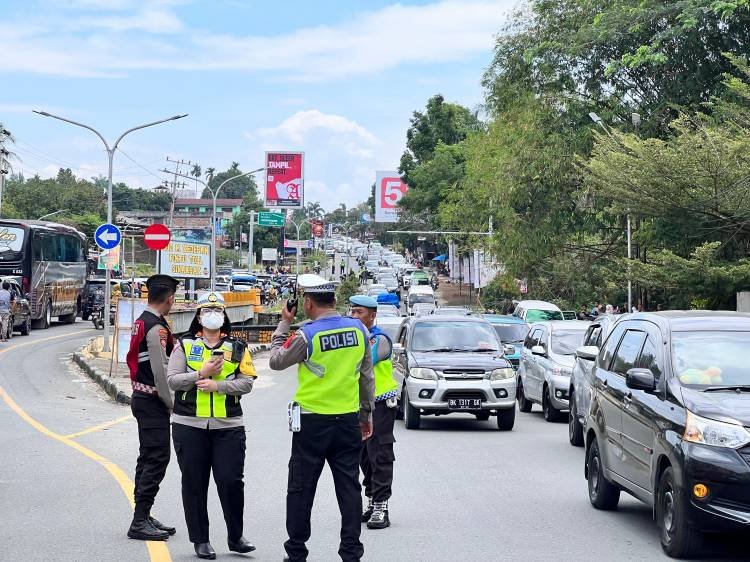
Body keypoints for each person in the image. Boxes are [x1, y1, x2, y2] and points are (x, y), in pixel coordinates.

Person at [269, 274, 375, 562]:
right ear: (335, 301)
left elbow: (276, 361)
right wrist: (366, 415)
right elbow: (367, 377)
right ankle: (351, 553)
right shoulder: (359, 331)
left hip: (312, 424)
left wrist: (284, 323)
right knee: (349, 489)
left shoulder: (308, 334)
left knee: (301, 489)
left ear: (307, 302)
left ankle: (296, 554)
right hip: (348, 420)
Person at [167, 291, 257, 560]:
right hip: (189, 424)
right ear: (198, 317)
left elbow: (247, 383)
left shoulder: (237, 348)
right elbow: (172, 380)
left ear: (224, 317)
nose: (212, 315)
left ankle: (236, 537)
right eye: (206, 311)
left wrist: (219, 385)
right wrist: (200, 374)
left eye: (217, 310)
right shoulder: (183, 346)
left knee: (231, 481)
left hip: (228, 426)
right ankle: (201, 540)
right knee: (194, 483)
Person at [125, 274, 180, 541]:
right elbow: (161, 372)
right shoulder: (156, 328)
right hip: (152, 401)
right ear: (169, 298)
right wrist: (172, 405)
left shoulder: (140, 321)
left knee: (147, 456)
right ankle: (139, 520)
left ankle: (143, 514)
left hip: (141, 398)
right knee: (157, 457)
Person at [348, 295, 399, 530]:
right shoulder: (355, 338)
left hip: (379, 405)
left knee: (379, 454)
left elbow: (360, 362)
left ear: (372, 315)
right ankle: (371, 500)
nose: (354, 316)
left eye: (359, 312)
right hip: (356, 405)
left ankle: (381, 506)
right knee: (363, 457)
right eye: (352, 312)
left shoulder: (380, 339)